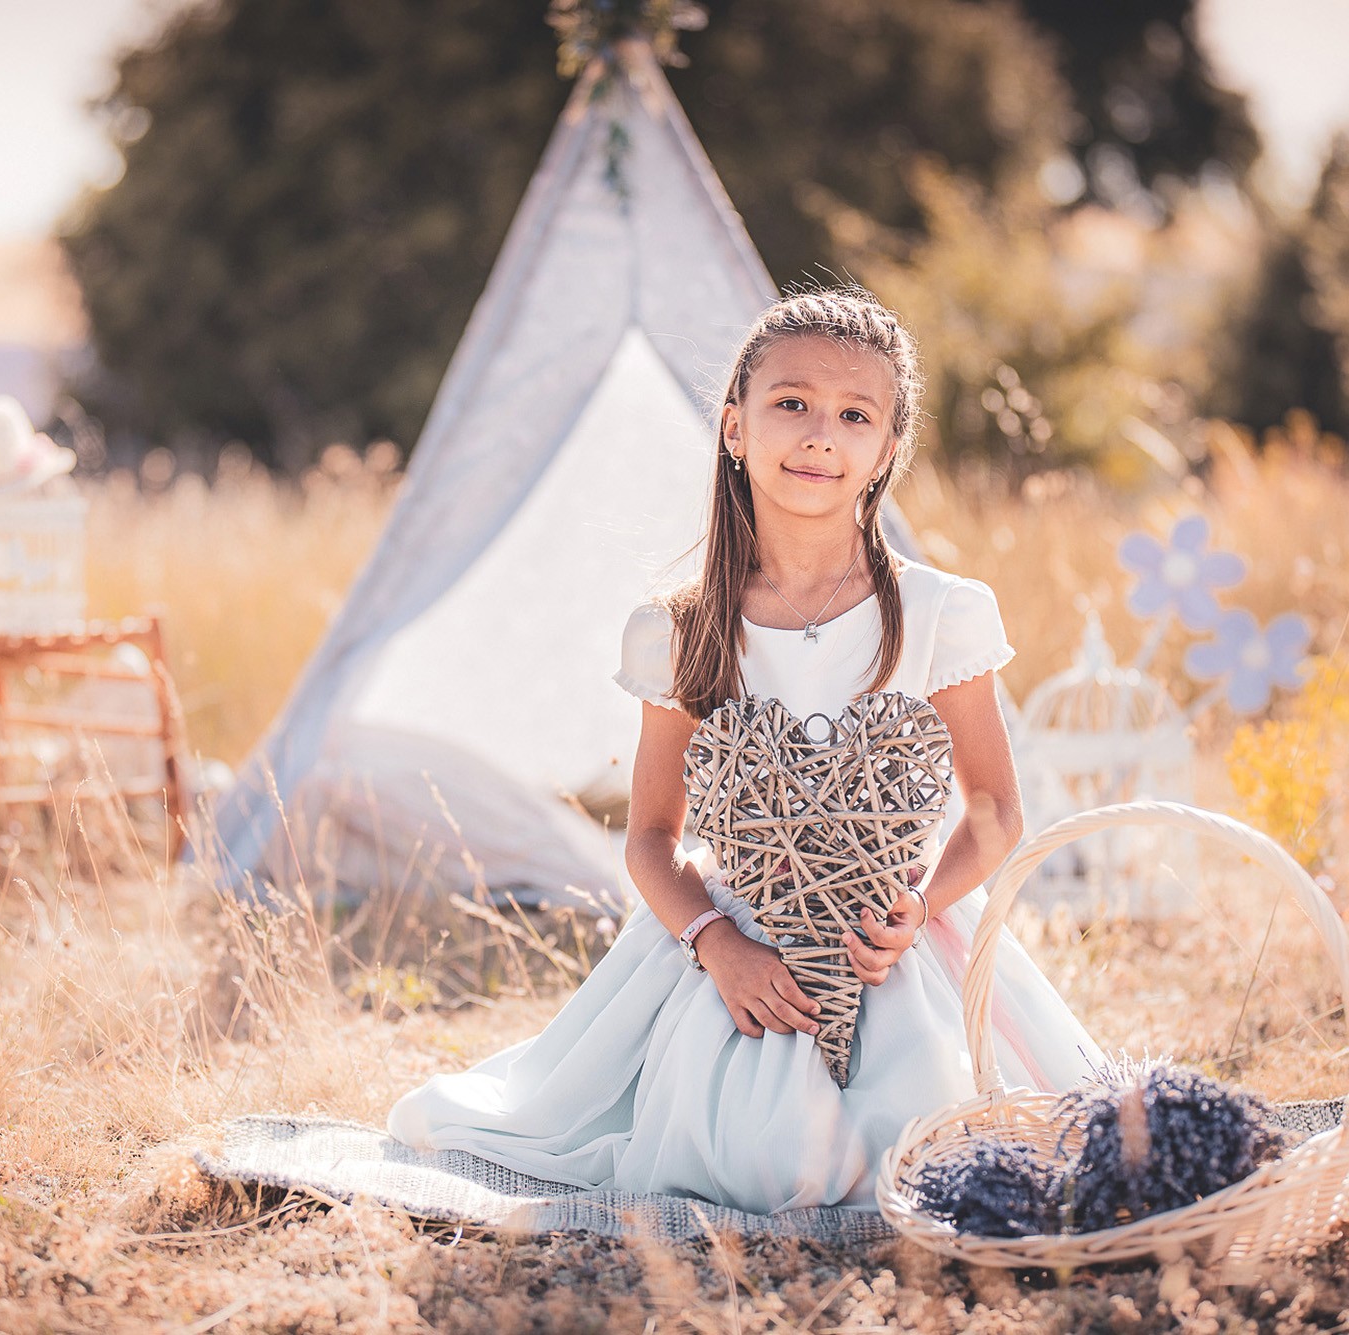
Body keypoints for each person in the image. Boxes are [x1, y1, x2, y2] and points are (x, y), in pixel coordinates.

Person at [387, 287, 1108, 1215]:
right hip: (736, 944)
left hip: (893, 941)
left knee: (939, 1144)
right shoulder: (681, 630)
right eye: (792, 404)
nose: (820, 435)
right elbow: (650, 835)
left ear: (888, 451)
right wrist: (717, 943)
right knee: (754, 1156)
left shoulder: (940, 613)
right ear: (734, 426)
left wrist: (919, 905)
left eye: (856, 416)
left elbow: (995, 809)